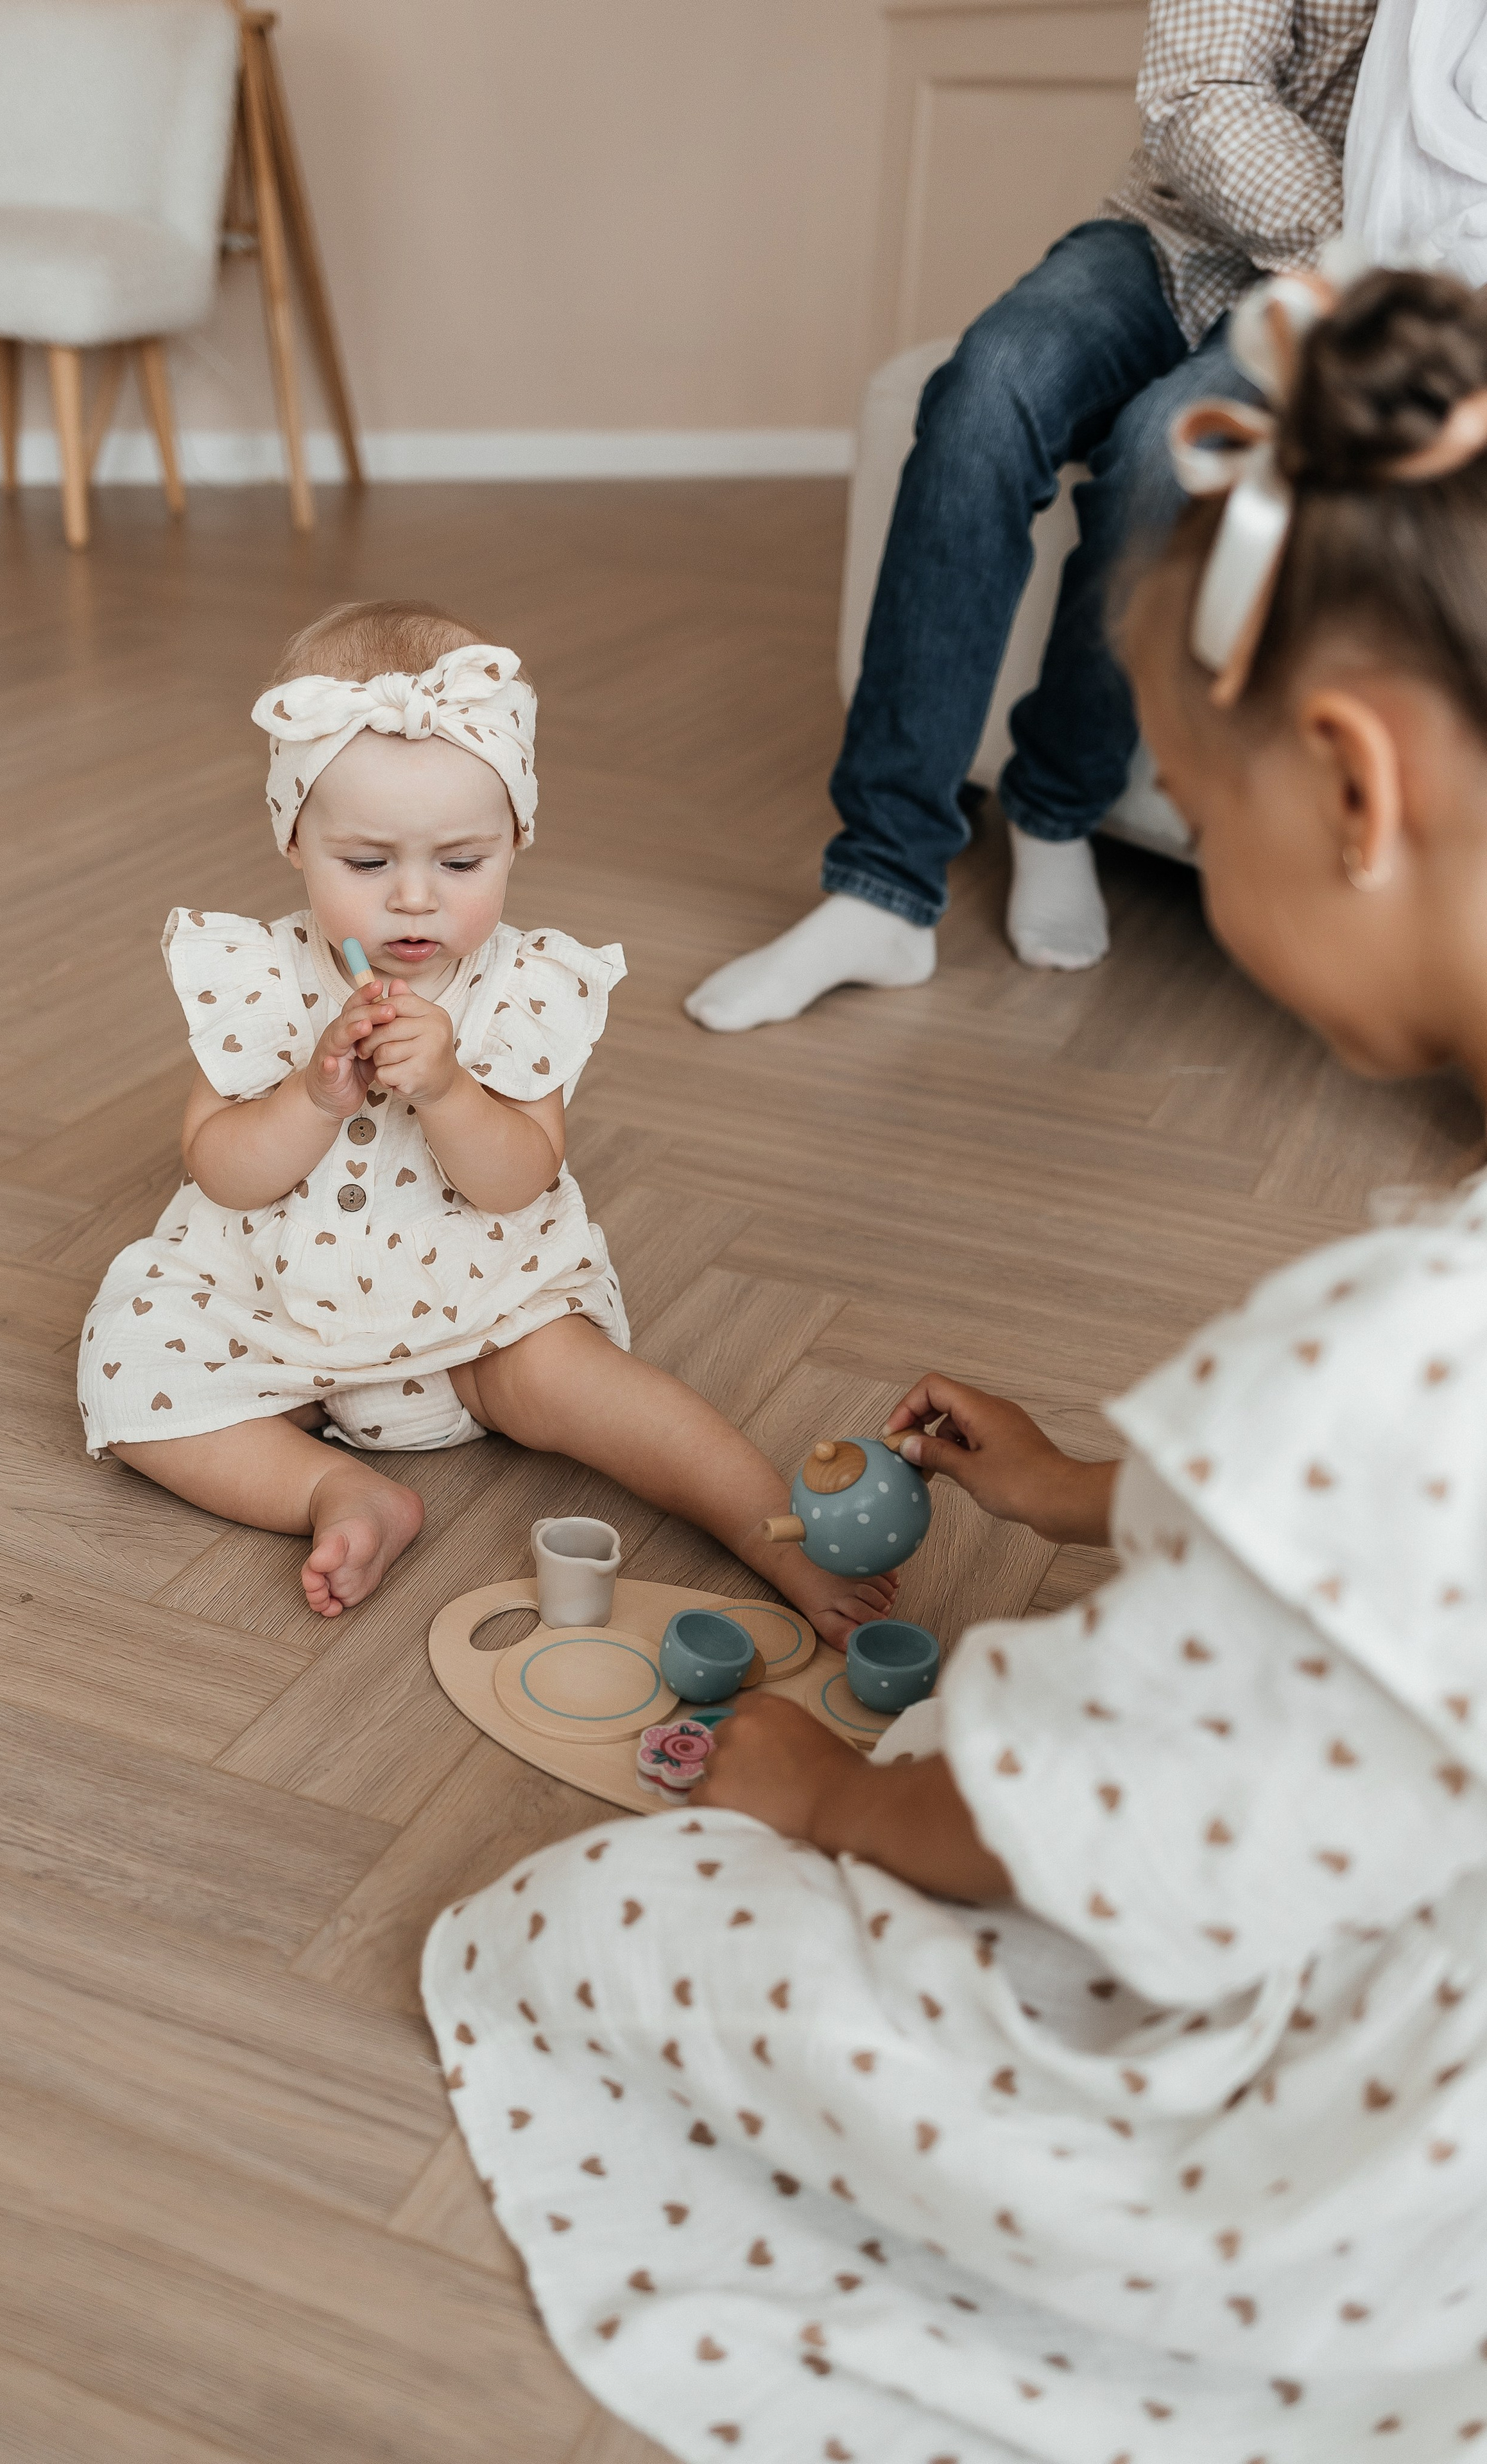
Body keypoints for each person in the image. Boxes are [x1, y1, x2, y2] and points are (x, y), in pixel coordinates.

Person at [424, 266, 1487, 2461]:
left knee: (598, 1938)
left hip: (1385, 2166)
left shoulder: (1389, 1356)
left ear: (1356, 788)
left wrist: (833, 1795)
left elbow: (1060, 1820)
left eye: (1188, 799)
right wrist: (1087, 1492)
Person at [77, 599, 897, 1644]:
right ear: (295, 841)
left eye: (461, 865)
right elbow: (222, 1171)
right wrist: (309, 1099)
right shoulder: (255, 977)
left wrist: (453, 1093)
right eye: (367, 865)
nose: (415, 902)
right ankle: (336, 1491)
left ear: (517, 836)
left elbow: (518, 1178)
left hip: (483, 1311)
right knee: (127, 1362)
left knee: (593, 1387)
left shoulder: (523, 988)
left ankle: (765, 1527)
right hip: (269, 1306)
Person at [685, 0, 1375, 1029]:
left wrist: (1395, 260)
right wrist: (1374, 230)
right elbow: (1203, 88)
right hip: (1187, 227)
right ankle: (880, 886)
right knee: (985, 390)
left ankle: (1056, 806)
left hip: (1355, 300)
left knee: (1162, 456)